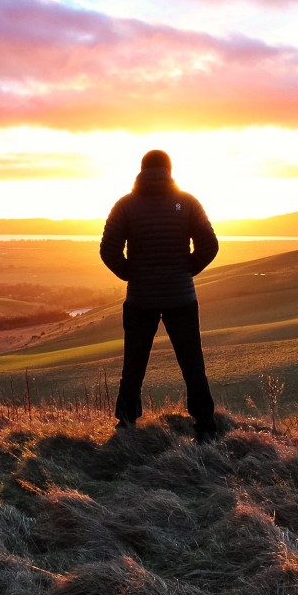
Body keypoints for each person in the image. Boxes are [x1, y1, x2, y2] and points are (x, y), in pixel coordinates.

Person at [100, 150, 220, 442]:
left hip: (141, 298)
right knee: (192, 362)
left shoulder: (125, 205)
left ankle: (127, 422)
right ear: (169, 170)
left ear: (141, 170)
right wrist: (185, 270)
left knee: (134, 363)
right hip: (182, 297)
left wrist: (131, 274)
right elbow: (210, 245)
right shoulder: (188, 202)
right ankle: (205, 424)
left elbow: (108, 250)